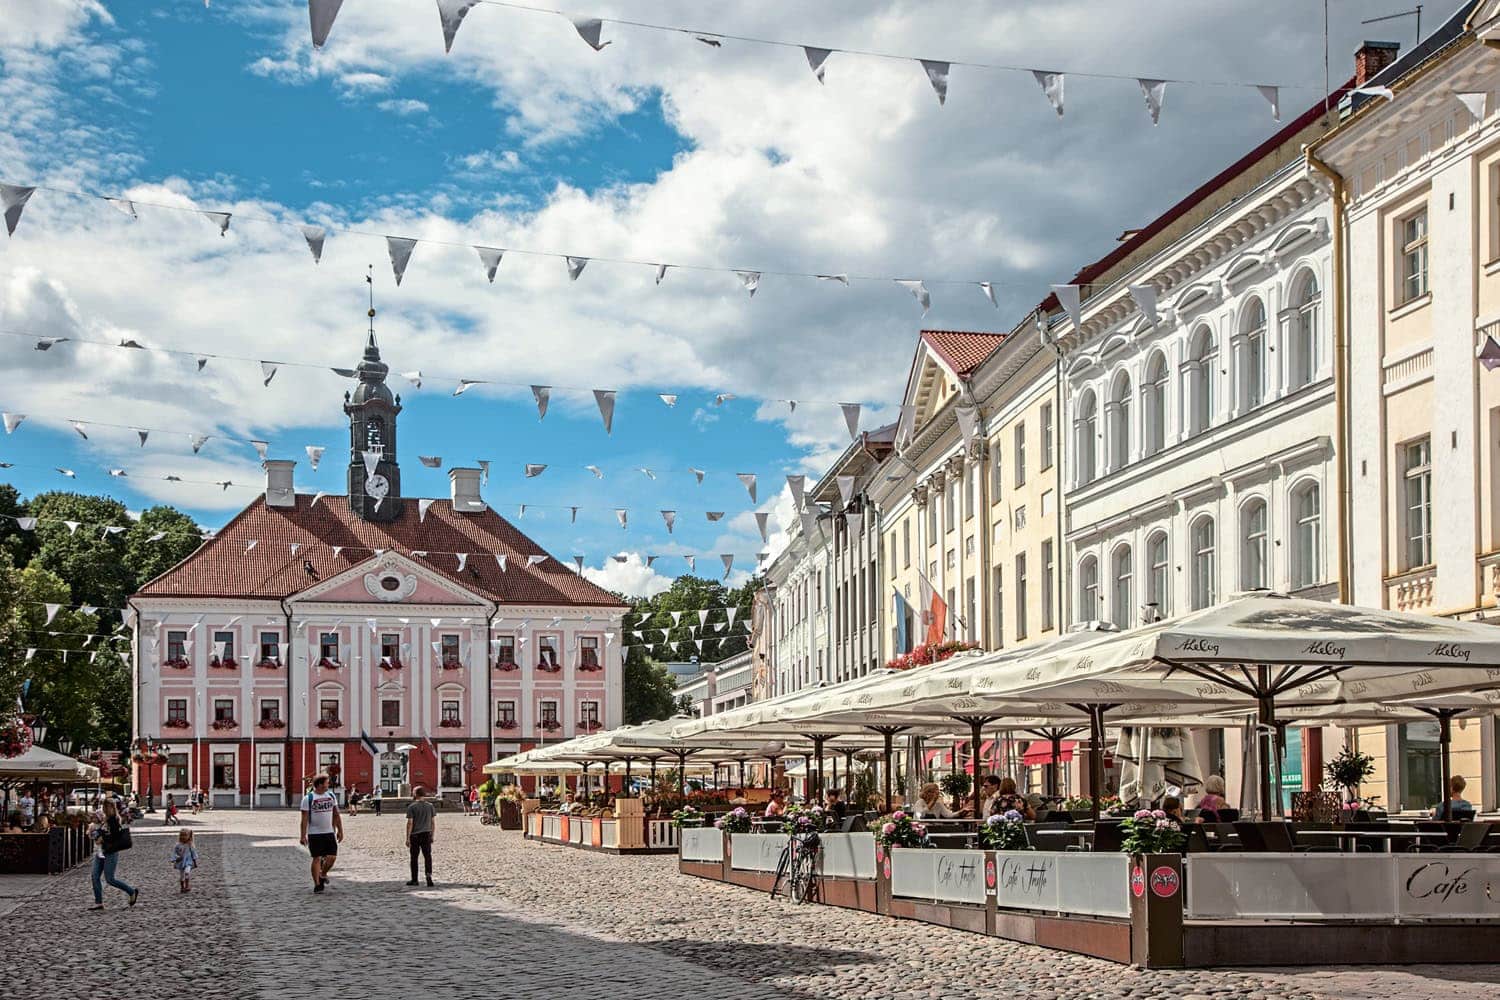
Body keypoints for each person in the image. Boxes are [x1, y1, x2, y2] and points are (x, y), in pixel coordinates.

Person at [88, 799, 139, 910]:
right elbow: (102, 831)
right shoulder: (105, 819)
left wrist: (103, 838)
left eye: (108, 807)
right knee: (94, 876)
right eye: (104, 807)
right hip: (100, 852)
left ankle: (131, 891)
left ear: (112, 808)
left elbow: (115, 837)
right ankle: (98, 902)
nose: (105, 809)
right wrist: (96, 834)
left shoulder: (114, 820)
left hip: (110, 852)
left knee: (110, 879)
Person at [299, 773, 343, 893]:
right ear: (319, 785)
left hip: (329, 832)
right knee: (316, 858)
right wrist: (303, 835)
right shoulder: (308, 798)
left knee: (332, 857)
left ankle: (323, 874)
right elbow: (304, 819)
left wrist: (340, 830)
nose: (328, 785)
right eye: (326, 783)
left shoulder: (331, 796)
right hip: (314, 833)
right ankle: (317, 885)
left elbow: (336, 814)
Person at [405, 785, 437, 887]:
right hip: (427, 834)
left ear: (415, 794)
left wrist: (407, 838)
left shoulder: (412, 807)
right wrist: (432, 835)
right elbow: (432, 822)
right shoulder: (430, 806)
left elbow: (410, 823)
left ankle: (414, 879)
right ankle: (428, 876)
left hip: (415, 835)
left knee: (414, 858)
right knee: (427, 856)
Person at [171, 829, 198, 893]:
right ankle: (182, 887)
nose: (183, 837)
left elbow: (193, 853)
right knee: (181, 876)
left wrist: (195, 862)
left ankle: (187, 885)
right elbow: (174, 853)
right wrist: (175, 859)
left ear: (189, 836)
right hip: (181, 862)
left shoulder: (190, 845)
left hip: (188, 862)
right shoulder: (177, 845)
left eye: (185, 835)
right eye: (182, 835)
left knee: (187, 872)